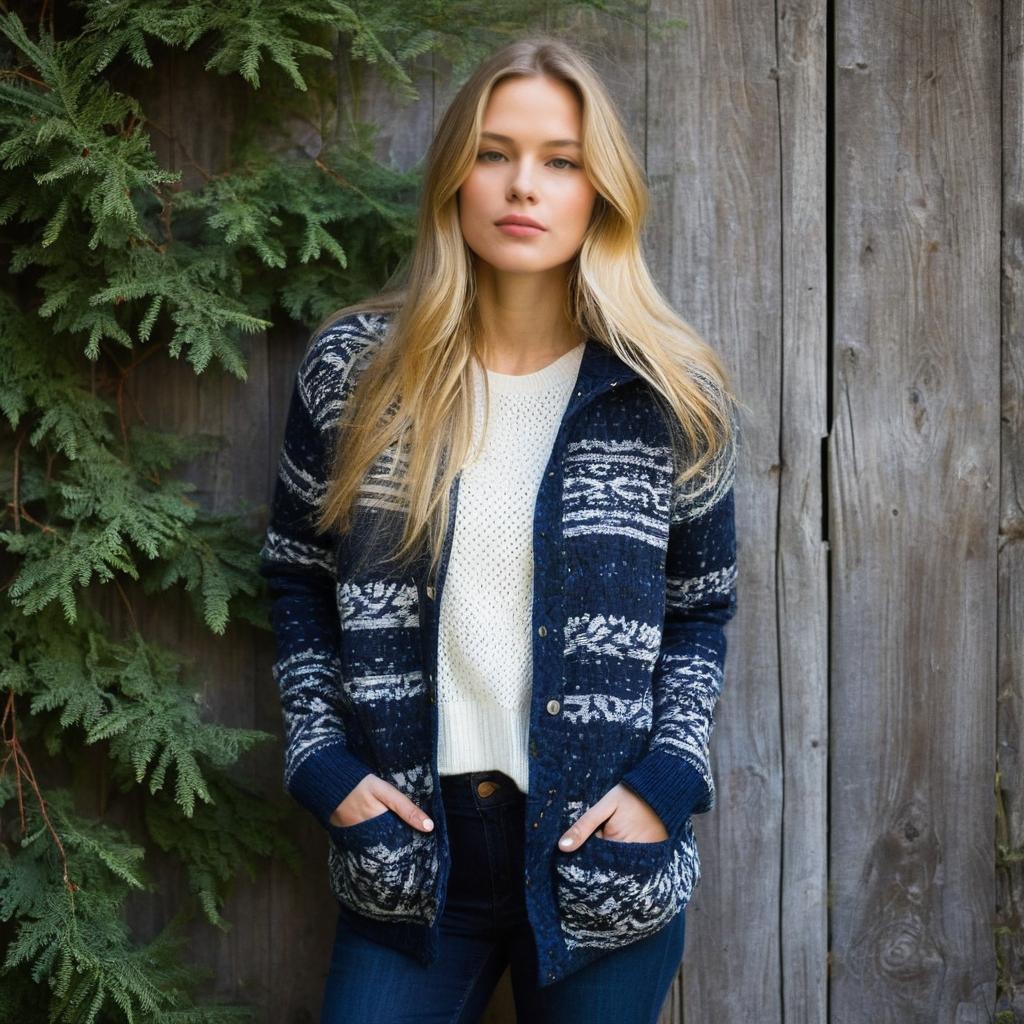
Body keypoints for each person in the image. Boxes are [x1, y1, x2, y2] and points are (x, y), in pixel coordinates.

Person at [259, 33, 741, 1024]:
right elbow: (296, 575)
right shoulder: (357, 374)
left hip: (602, 871)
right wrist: (320, 762)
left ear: (598, 189)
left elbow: (701, 610)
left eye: (560, 161)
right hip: (406, 862)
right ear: (453, 177)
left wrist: (665, 780)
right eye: (493, 151)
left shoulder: (665, 392)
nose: (524, 185)